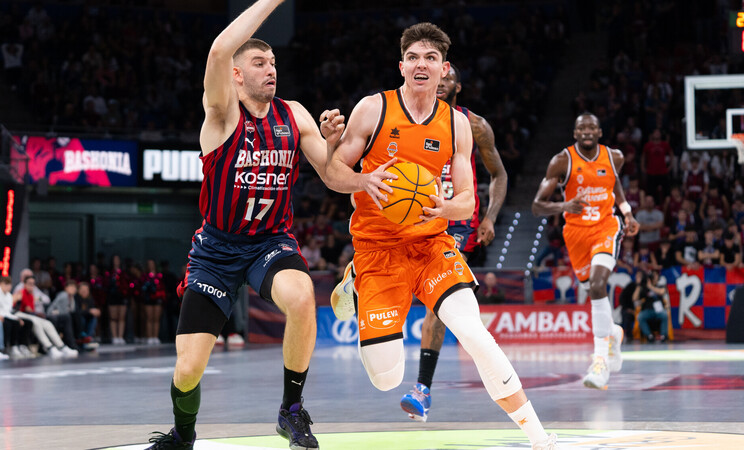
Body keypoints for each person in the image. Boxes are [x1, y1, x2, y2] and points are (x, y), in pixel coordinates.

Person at [322, 23, 558, 449]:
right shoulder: (373, 109)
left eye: (430, 58)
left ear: (443, 69)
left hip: (431, 245)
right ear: (401, 66)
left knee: (474, 334)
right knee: (385, 376)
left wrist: (443, 209)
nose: (421, 64)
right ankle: (356, 282)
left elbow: (468, 200)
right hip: (377, 250)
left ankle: (539, 438)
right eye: (413, 57)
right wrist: (363, 181)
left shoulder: (457, 126)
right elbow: (333, 174)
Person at [145, 1, 335, 448]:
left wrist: (338, 143)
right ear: (236, 74)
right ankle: (183, 435)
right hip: (216, 250)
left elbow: (333, 175)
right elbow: (217, 51)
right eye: (258, 62)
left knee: (303, 297)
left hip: (269, 242)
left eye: (273, 62)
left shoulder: (294, 115)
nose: (270, 69)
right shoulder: (222, 113)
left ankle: (292, 410)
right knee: (188, 369)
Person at [329, 62, 509, 422]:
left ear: (454, 83)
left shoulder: (472, 125)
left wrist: (489, 217)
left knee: (440, 308)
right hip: (400, 214)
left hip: (449, 217)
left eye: (448, 77)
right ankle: (361, 276)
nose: (438, 82)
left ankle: (422, 389)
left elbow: (498, 173)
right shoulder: (395, 113)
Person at [532, 112, 640, 390]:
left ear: (600, 132)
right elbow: (537, 205)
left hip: (605, 226)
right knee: (589, 286)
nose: (588, 131)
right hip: (576, 233)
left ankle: (599, 361)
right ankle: (613, 333)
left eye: (592, 127)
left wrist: (627, 214)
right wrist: (563, 207)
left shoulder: (614, 156)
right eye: (582, 127)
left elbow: (614, 183)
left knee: (597, 283)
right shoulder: (561, 161)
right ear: (575, 133)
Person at [16, 275, 78, 358]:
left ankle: (61, 347)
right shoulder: (21, 292)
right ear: (24, 284)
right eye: (30, 284)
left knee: (47, 323)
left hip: (30, 315)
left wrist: (38, 305)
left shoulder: (31, 294)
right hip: (19, 314)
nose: (32, 286)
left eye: (33, 284)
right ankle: (49, 347)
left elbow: (44, 301)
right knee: (36, 322)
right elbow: (27, 309)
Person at [0, 276, 36, 358]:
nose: (8, 287)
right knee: (11, 323)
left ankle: (21, 346)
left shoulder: (8, 295)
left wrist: (17, 318)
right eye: (6, 284)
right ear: (0, 284)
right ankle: (6, 347)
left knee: (26, 322)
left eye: (9, 285)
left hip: (6, 315)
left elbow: (8, 311)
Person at [633, 271, 669, 343]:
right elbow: (634, 298)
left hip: (659, 311)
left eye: (655, 276)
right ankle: (649, 335)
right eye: (653, 276)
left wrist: (651, 287)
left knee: (664, 315)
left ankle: (663, 336)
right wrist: (639, 285)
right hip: (647, 310)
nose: (654, 277)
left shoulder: (660, 285)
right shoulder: (644, 287)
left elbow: (662, 292)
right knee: (640, 317)